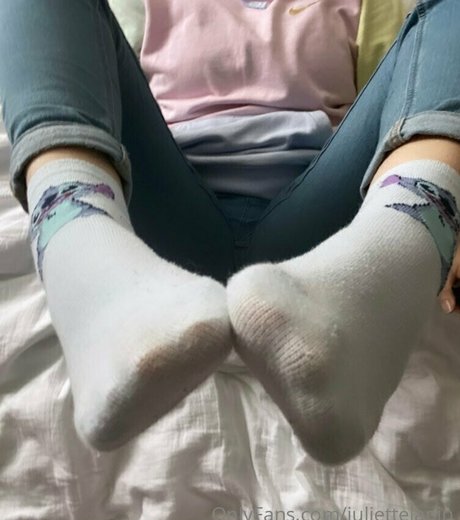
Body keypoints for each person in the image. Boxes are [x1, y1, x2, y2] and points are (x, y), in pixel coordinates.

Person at [1, 0, 460, 465]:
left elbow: (415, 85)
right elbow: (83, 68)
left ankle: (407, 230)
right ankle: (89, 258)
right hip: (170, 214)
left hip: (320, 229)